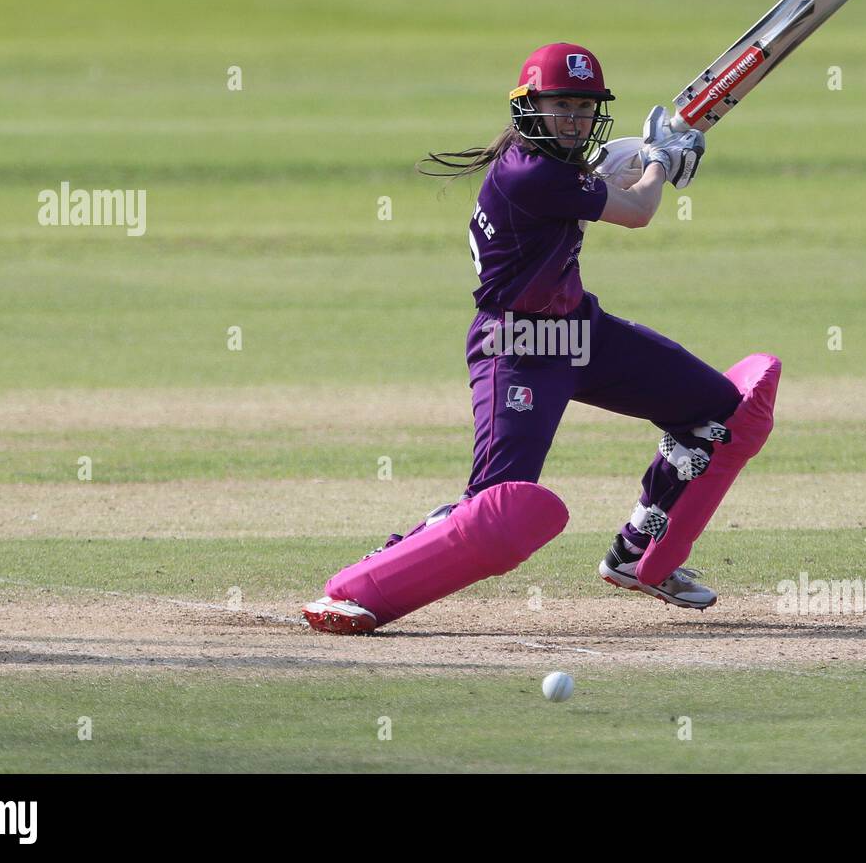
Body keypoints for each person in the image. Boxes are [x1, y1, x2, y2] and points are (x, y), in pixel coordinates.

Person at [304, 42, 779, 634]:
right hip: (519, 348)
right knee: (498, 509)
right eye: (563, 107)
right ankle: (362, 586)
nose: (575, 119)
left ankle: (639, 553)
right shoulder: (528, 172)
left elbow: (596, 188)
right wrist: (659, 161)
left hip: (582, 332)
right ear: (528, 107)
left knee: (717, 415)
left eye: (585, 108)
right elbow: (637, 212)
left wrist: (635, 159)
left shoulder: (554, 169)